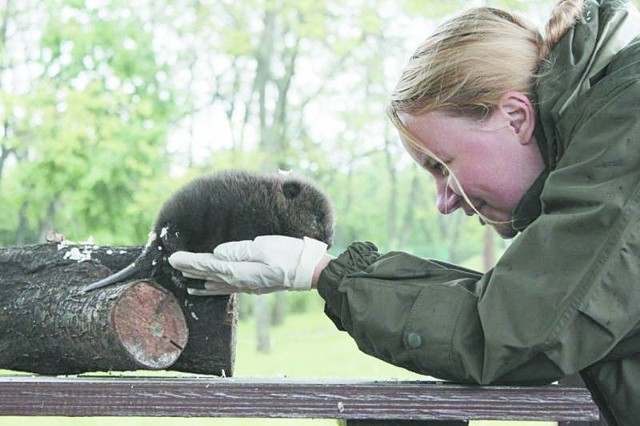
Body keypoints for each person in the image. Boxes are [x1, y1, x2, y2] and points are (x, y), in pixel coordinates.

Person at [169, 0, 640, 423]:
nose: (444, 200)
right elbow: (524, 305)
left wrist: (322, 275)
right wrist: (331, 274)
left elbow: (508, 332)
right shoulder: (611, 135)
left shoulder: (627, 129)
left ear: (514, 117)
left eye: (443, 165)